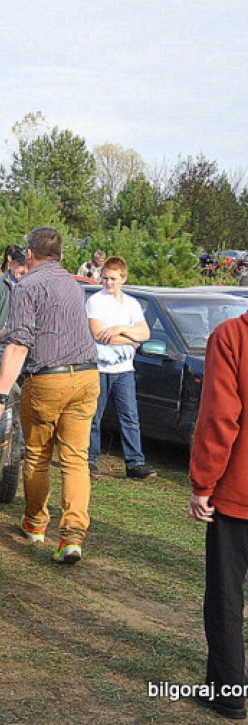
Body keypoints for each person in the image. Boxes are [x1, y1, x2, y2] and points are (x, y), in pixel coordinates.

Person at [0, 227, 99, 565]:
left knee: (37, 455)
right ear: (60, 254)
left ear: (29, 254)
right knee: (76, 458)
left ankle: (35, 524)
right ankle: (72, 537)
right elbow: (39, 327)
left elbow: (19, 346)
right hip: (87, 376)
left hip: (47, 380)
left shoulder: (26, 285)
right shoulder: (73, 285)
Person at [188, 307, 248, 721]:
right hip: (236, 491)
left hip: (237, 491)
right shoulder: (231, 336)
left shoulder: (232, 336)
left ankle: (229, 692)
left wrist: (203, 483)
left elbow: (218, 417)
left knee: (227, 595)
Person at [86, 257, 152, 479]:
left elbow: (144, 334)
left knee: (130, 416)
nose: (108, 283)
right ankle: (90, 459)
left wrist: (119, 329)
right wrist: (130, 340)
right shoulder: (95, 301)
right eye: (104, 278)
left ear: (123, 278)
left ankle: (135, 462)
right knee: (95, 415)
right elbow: (98, 335)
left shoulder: (131, 304)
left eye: (113, 279)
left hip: (124, 369)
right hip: (101, 368)